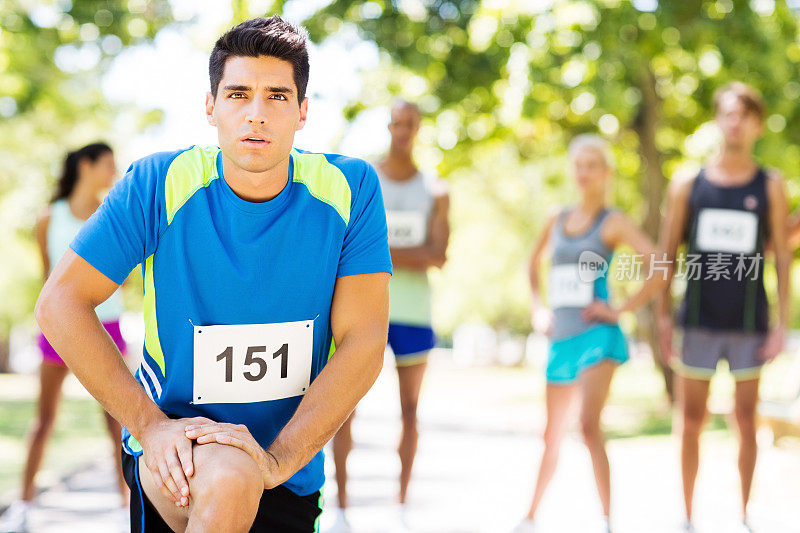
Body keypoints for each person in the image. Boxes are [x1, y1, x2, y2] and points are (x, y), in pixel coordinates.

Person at [34, 16, 391, 533]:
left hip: (289, 466)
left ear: (303, 112)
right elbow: (59, 303)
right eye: (238, 94)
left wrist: (279, 460)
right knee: (228, 477)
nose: (256, 115)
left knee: (243, 475)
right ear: (211, 107)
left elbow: (363, 341)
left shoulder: (350, 189)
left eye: (277, 97)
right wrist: (151, 428)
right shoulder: (157, 183)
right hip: (178, 454)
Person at [657, 82, 791, 533]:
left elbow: (782, 257)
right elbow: (665, 253)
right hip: (696, 321)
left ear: (756, 124)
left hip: (749, 323)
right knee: (690, 420)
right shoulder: (686, 183)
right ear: (717, 119)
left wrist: (782, 321)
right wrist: (660, 316)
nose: (734, 121)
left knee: (745, 419)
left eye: (743, 115)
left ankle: (743, 515)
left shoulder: (770, 184)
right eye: (727, 113)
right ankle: (687, 516)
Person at [514, 134, 665, 533]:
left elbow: (658, 266)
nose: (583, 172)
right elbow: (531, 266)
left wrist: (619, 308)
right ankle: (530, 517)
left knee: (588, 424)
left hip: (598, 335)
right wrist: (537, 308)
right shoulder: (556, 217)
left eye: (592, 165)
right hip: (560, 339)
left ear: (606, 172)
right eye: (578, 165)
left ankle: (606, 521)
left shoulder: (611, 221)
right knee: (551, 434)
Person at [330, 100, 449, 531]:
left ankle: (400, 508)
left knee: (411, 411)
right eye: (396, 123)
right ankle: (341, 508)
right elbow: (343, 243)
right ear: (388, 125)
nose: (402, 130)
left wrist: (374, 248)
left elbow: (438, 255)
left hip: (414, 314)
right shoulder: (365, 179)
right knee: (343, 408)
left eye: (410, 124)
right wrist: (405, 254)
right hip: (362, 310)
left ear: (418, 128)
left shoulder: (436, 189)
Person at [0, 143, 129, 533]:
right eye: (108, 164)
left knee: (117, 421)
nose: (114, 172)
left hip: (106, 327)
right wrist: (52, 324)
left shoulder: (113, 216)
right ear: (86, 166)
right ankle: (23, 507)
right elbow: (48, 280)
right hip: (58, 329)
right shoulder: (48, 219)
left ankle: (128, 506)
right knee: (44, 419)